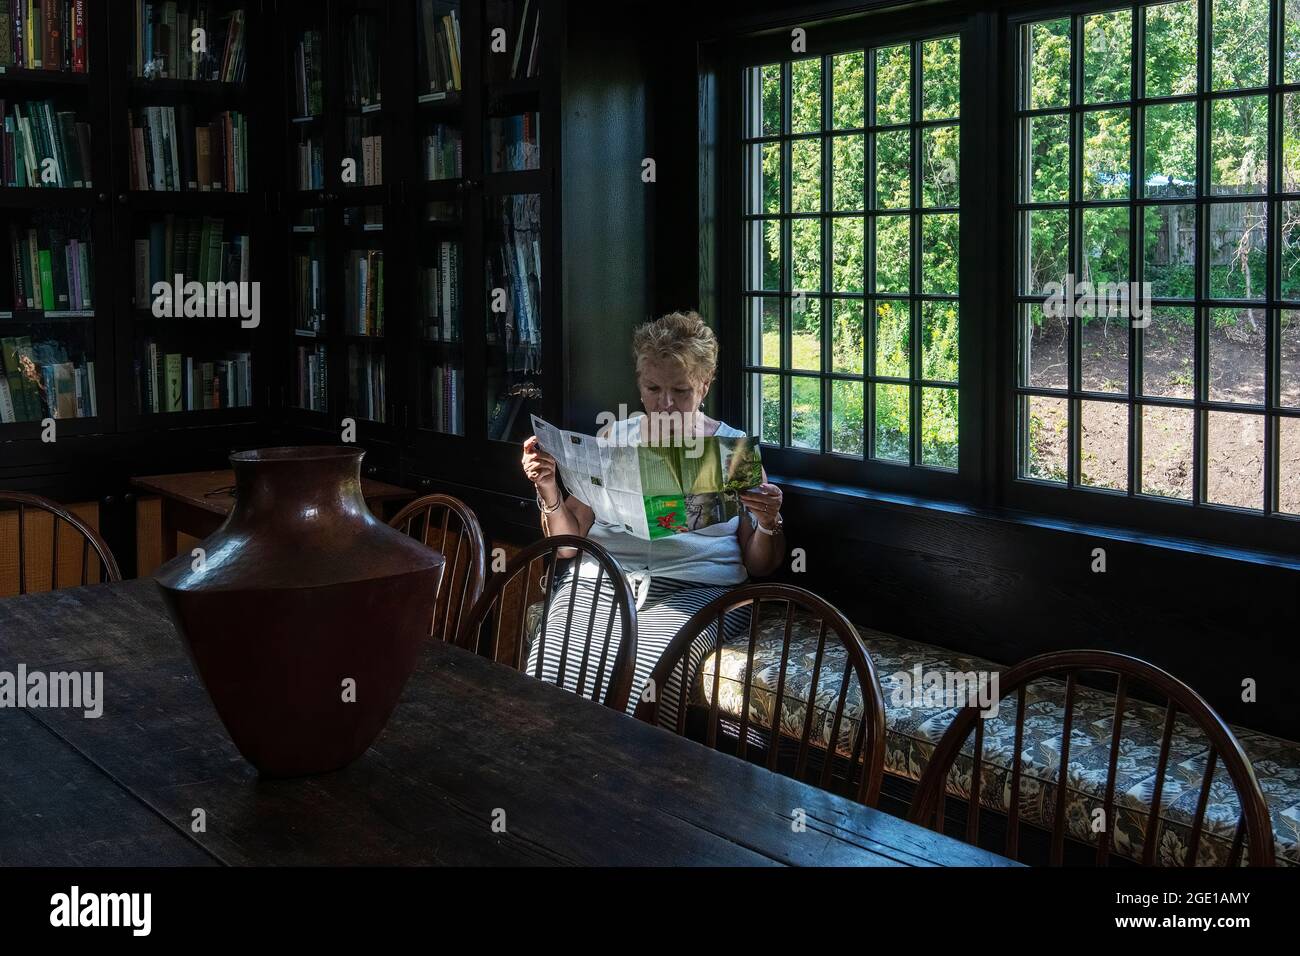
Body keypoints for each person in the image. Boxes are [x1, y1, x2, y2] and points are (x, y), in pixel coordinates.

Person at [520, 310, 785, 722]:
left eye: (680, 391)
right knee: (552, 661)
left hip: (697, 587)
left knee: (646, 677)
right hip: (603, 577)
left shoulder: (732, 450)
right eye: (652, 388)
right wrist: (549, 488)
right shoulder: (614, 437)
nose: (665, 404)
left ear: (705, 384)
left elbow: (759, 564)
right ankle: (556, 773)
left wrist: (769, 521)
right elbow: (567, 549)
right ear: (639, 384)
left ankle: (629, 779)